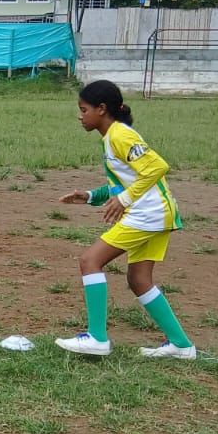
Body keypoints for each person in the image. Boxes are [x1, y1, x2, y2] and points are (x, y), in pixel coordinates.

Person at [55, 80, 195, 360]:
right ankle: (181, 345)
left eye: (84, 110)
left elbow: (157, 167)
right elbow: (126, 182)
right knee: (139, 279)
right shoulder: (112, 137)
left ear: (101, 109)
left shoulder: (120, 135)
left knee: (90, 261)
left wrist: (125, 200)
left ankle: (97, 338)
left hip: (149, 214)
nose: (80, 116)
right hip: (156, 213)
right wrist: (91, 196)